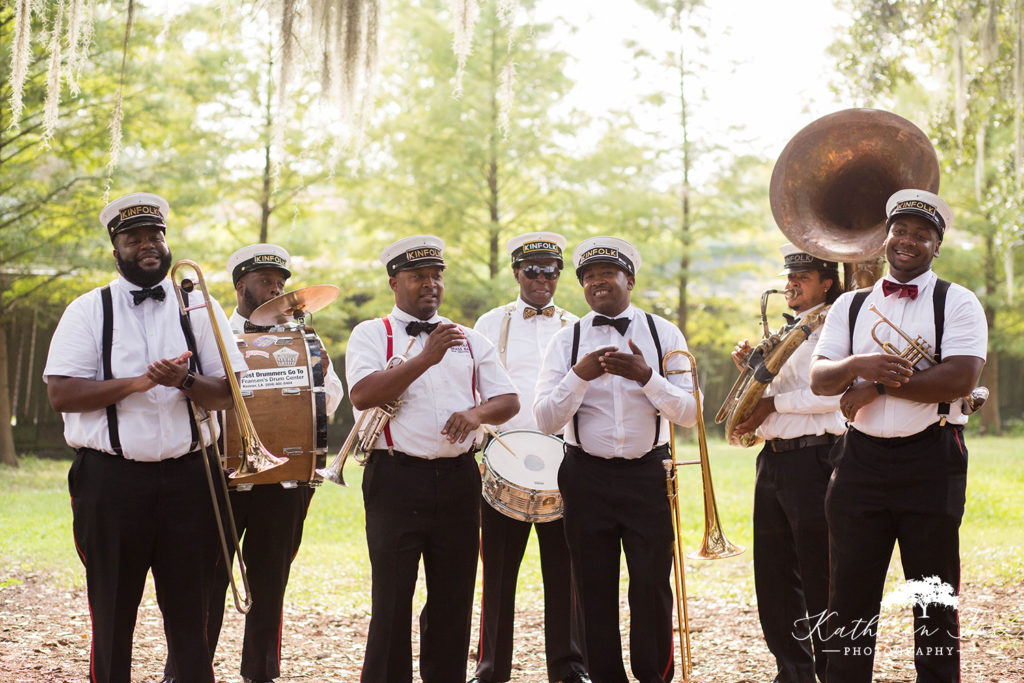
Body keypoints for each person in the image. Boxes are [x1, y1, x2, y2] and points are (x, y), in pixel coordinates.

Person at [43, 192, 247, 683]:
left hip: (189, 479)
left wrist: (185, 382)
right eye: (134, 239)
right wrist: (141, 382)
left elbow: (228, 394)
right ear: (116, 251)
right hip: (111, 483)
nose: (148, 246)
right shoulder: (88, 310)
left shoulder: (200, 309)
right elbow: (62, 395)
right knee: (113, 610)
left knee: (191, 611)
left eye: (155, 236)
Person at [809, 189, 987, 683]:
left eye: (922, 234)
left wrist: (878, 385)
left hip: (931, 460)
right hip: (860, 463)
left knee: (933, 600)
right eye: (900, 231)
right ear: (886, 237)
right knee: (848, 597)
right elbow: (822, 379)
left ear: (936, 246)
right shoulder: (849, 305)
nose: (908, 241)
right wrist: (859, 365)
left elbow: (960, 380)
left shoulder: (959, 301)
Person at [163, 244, 344, 683]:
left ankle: (260, 672)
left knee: (270, 583)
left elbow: (332, 397)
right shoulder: (208, 332)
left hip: (282, 481)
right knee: (205, 582)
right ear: (241, 285)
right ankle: (187, 671)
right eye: (267, 282)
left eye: (281, 283)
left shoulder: (304, 339)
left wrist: (303, 377)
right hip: (219, 478)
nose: (277, 290)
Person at [345, 235, 519, 683]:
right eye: (418, 276)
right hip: (395, 478)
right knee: (392, 596)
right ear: (394, 282)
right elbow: (363, 395)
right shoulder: (371, 333)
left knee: (453, 595)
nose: (430, 284)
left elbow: (507, 400)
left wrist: (475, 414)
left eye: (436, 276)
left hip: (459, 477)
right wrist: (426, 357)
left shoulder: (471, 338)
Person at [533, 236, 699, 683]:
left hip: (649, 474)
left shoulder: (664, 333)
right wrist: (578, 377)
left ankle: (654, 676)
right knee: (592, 589)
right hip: (586, 475)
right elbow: (545, 419)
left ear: (629, 279)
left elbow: (691, 413)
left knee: (651, 587)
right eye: (587, 277)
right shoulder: (566, 341)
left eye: (606, 274)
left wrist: (648, 378)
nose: (596, 282)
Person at [471, 232, 589, 683]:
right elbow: (475, 386)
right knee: (497, 573)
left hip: (564, 462)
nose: (542, 278)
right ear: (517, 272)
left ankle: (569, 665)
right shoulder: (490, 323)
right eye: (533, 270)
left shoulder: (577, 325)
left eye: (551, 271)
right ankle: (490, 666)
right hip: (504, 459)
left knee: (566, 571)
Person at [729, 244, 845, 683]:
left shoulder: (837, 326)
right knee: (773, 576)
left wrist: (772, 401)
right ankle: (793, 671)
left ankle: (832, 668)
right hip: (773, 462)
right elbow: (770, 398)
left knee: (819, 573)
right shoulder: (786, 330)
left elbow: (833, 394)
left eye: (802, 277)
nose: (790, 283)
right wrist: (754, 370)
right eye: (788, 276)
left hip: (818, 457)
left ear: (826, 283)